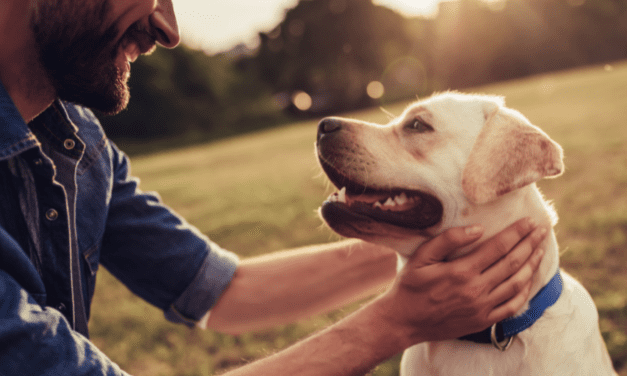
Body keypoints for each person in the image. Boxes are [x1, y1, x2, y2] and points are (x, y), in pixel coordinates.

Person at [0, 1, 548, 375]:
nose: (168, 28)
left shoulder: (74, 140)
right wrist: (395, 322)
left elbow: (222, 291)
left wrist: (443, 243)